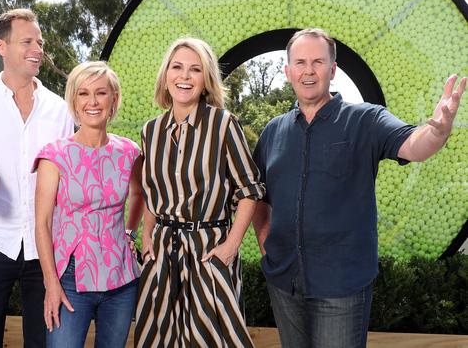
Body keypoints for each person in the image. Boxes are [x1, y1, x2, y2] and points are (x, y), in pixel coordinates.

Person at [251, 28, 466, 348]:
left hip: (342, 287)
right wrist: (265, 239)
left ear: (333, 69)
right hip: (285, 284)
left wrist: (437, 131)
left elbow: (412, 145)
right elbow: (260, 195)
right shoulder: (273, 131)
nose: (308, 70)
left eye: (318, 62)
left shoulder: (367, 120)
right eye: (300, 62)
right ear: (288, 71)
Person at [135, 37, 265, 348]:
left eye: (195, 70)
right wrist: (147, 236)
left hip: (208, 251)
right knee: (158, 339)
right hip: (163, 254)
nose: (184, 76)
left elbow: (249, 191)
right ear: (166, 75)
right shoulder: (150, 131)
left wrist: (230, 247)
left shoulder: (224, 125)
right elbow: (152, 193)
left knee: (213, 340)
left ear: (205, 79)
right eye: (177, 67)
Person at [0, 8, 75, 348]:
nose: (37, 49)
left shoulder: (60, 108)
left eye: (39, 42)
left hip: (45, 248)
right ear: (1, 46)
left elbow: (67, 180)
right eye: (27, 41)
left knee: (42, 341)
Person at [33, 61, 143, 348]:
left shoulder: (129, 151)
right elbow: (42, 224)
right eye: (83, 94)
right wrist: (51, 283)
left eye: (101, 93)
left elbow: (139, 194)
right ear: (74, 100)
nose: (92, 102)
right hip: (69, 280)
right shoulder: (54, 155)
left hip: (121, 279)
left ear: (114, 99)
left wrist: (130, 232)